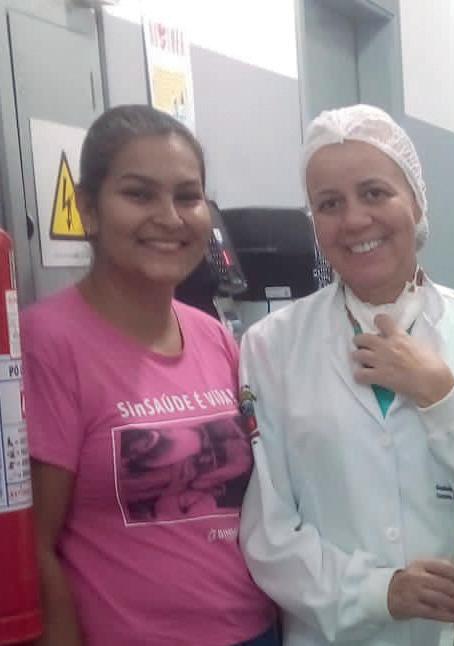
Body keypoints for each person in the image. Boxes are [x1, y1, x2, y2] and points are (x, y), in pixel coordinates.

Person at [238, 104, 454, 646]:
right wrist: (379, 592)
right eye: (329, 203)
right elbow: (269, 532)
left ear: (416, 201)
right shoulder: (272, 347)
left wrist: (446, 400)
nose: (354, 220)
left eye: (375, 193)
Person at [23, 105, 277, 645]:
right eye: (139, 194)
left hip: (254, 631)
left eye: (187, 196)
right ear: (88, 209)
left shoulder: (213, 336)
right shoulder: (48, 343)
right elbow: (33, 547)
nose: (170, 217)